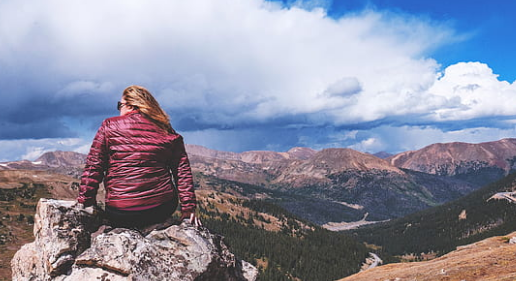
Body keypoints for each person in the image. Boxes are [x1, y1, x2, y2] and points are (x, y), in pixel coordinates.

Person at [77, 85, 201, 228]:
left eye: (120, 105)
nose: (119, 109)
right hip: (161, 208)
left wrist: (85, 202)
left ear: (130, 105)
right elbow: (181, 170)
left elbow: (94, 166)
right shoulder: (165, 128)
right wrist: (188, 208)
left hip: (121, 212)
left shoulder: (109, 126)